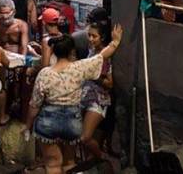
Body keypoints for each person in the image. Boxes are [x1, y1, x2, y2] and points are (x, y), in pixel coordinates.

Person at [25, 26, 124, 174]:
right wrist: (115, 42)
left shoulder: (44, 74)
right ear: (72, 51)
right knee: (70, 163)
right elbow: (102, 56)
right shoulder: (79, 68)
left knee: (52, 164)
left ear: (54, 52)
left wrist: (28, 126)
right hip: (72, 122)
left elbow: (34, 105)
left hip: (48, 122)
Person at [79, 22, 113, 161]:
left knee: (85, 138)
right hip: (84, 98)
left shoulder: (106, 55)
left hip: (98, 101)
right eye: (89, 35)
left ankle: (102, 159)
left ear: (102, 37)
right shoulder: (91, 50)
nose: (91, 39)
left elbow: (110, 84)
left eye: (94, 36)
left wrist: (94, 76)